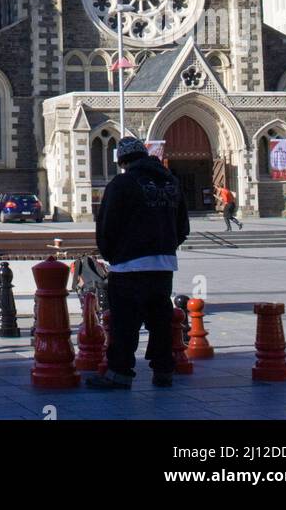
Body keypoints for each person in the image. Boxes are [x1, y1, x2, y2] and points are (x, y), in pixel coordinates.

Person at [86, 138, 189, 391]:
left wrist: (113, 255)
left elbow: (106, 226)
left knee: (125, 324)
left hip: (129, 266)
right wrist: (166, 248)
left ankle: (120, 374)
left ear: (122, 161)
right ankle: (164, 371)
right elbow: (183, 226)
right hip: (163, 266)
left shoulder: (122, 183)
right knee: (160, 321)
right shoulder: (171, 182)